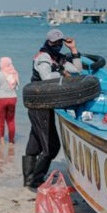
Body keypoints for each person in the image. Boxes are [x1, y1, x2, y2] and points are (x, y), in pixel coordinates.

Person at [23, 29, 82, 188]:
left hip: (46, 104)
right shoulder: (43, 57)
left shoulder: (58, 58)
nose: (57, 45)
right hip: (39, 104)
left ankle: (29, 180)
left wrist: (73, 50)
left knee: (35, 142)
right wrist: (62, 72)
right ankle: (36, 178)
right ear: (48, 42)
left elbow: (77, 70)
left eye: (59, 42)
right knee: (52, 147)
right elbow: (46, 78)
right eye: (53, 42)